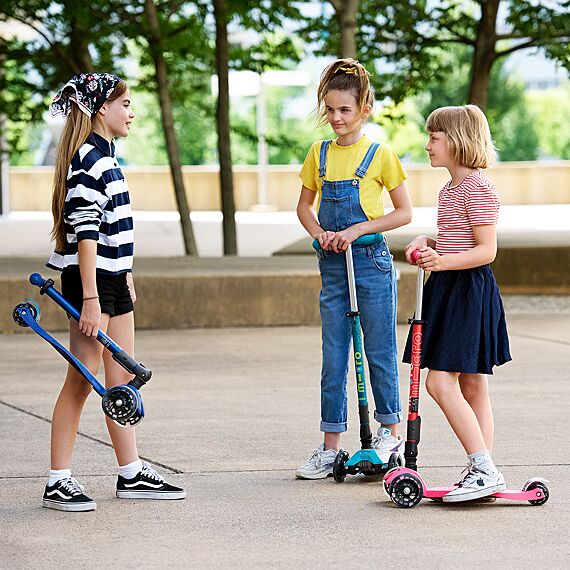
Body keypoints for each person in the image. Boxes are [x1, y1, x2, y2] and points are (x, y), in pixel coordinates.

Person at [43, 73, 185, 511]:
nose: (132, 112)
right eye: (125, 104)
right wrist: (90, 297)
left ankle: (130, 472)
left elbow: (111, 229)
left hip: (112, 280)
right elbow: (84, 233)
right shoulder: (88, 160)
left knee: (120, 379)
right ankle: (57, 480)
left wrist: (124, 274)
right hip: (92, 285)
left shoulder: (108, 157)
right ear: (102, 108)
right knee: (81, 381)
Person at [295, 58, 413, 479]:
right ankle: (330, 446)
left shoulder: (380, 155)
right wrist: (320, 232)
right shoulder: (319, 153)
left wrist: (360, 228)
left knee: (378, 349)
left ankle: (389, 432)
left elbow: (403, 213)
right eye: (330, 110)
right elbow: (304, 207)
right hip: (332, 265)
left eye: (344, 110)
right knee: (334, 356)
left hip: (370, 262)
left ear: (365, 109)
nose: (336, 118)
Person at [403, 104, 511, 502]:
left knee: (438, 382)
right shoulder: (450, 189)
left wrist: (443, 261)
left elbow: (487, 250)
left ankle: (483, 467)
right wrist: (428, 242)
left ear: (458, 142)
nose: (428, 144)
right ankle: (485, 470)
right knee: (472, 384)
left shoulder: (478, 189)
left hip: (467, 290)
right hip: (451, 286)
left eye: (435, 137)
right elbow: (456, 238)